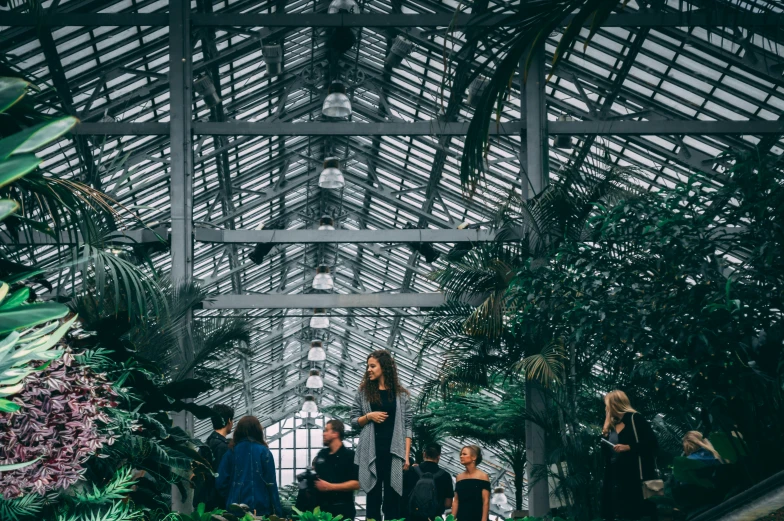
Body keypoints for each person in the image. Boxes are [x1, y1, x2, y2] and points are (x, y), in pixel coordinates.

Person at [350, 349, 412, 521]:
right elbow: (354, 421)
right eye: (367, 366)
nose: (368, 369)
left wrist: (406, 456)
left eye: (372, 366)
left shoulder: (401, 395)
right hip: (372, 451)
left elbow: (408, 426)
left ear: (384, 367)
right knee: (373, 498)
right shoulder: (363, 393)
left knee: (393, 499)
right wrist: (369, 416)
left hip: (394, 452)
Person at [600, 390, 659, 521]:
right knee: (623, 511)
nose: (606, 408)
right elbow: (605, 454)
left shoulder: (635, 419)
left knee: (639, 511)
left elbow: (652, 443)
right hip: (617, 477)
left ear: (614, 404)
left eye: (607, 405)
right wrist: (605, 430)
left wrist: (629, 447)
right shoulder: (612, 426)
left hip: (636, 475)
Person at [216, 416, 282, 516]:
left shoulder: (231, 453)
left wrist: (231, 496)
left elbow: (220, 482)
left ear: (238, 431)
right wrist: (278, 511)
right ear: (258, 431)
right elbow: (271, 484)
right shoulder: (264, 452)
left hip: (235, 511)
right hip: (260, 510)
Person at [312, 419, 361, 520]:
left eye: (326, 430)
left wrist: (330, 487)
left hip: (343, 510)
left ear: (335, 433)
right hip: (322, 511)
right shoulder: (322, 454)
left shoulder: (350, 456)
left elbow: (357, 484)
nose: (323, 434)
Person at [193, 404, 234, 511]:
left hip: (202, 504)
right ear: (229, 421)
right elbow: (222, 479)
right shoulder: (223, 447)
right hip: (216, 505)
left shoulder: (205, 445)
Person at [403, 442, 454, 521]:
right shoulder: (445, 476)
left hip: (411, 517)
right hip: (433, 517)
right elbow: (448, 504)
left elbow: (402, 495)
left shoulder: (412, 471)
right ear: (438, 456)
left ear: (424, 454)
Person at [453, 445, 490, 521]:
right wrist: (451, 519)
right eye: (461, 454)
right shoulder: (459, 477)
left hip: (477, 517)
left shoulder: (483, 476)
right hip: (461, 518)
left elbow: (485, 501)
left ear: (474, 457)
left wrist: (484, 519)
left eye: (464, 454)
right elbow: (456, 501)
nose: (461, 456)